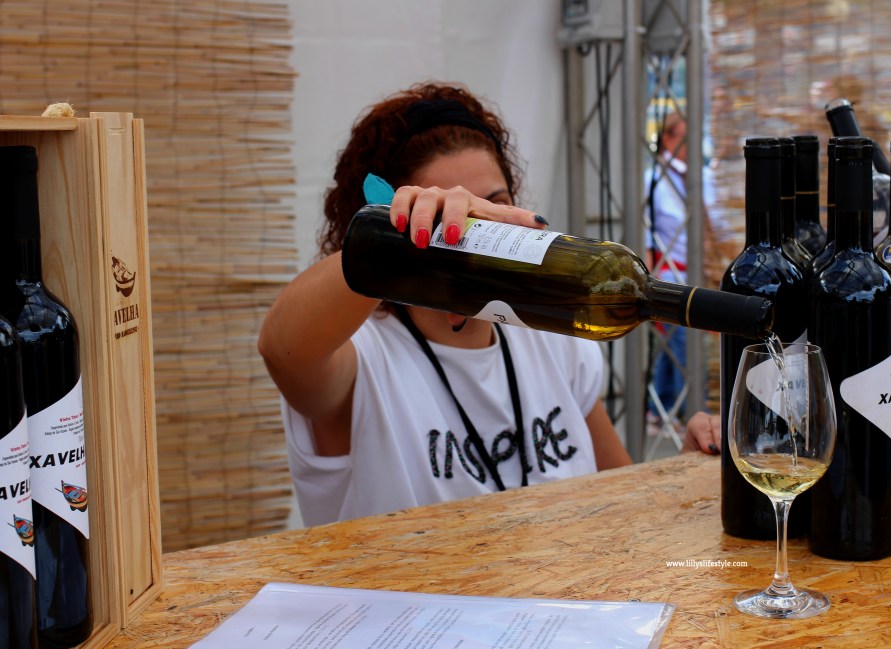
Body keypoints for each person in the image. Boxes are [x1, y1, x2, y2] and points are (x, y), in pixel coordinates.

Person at [258, 82, 633, 527]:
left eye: (493, 207)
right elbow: (282, 349)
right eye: (446, 216)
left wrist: (683, 469)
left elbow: (625, 500)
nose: (477, 231)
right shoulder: (365, 358)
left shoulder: (552, 339)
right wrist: (392, 242)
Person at [644, 111, 699, 431]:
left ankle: (660, 407)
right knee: (681, 341)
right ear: (667, 139)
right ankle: (683, 411)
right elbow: (647, 234)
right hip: (669, 273)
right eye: (684, 137)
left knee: (673, 344)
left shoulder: (696, 176)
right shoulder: (654, 179)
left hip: (693, 270)